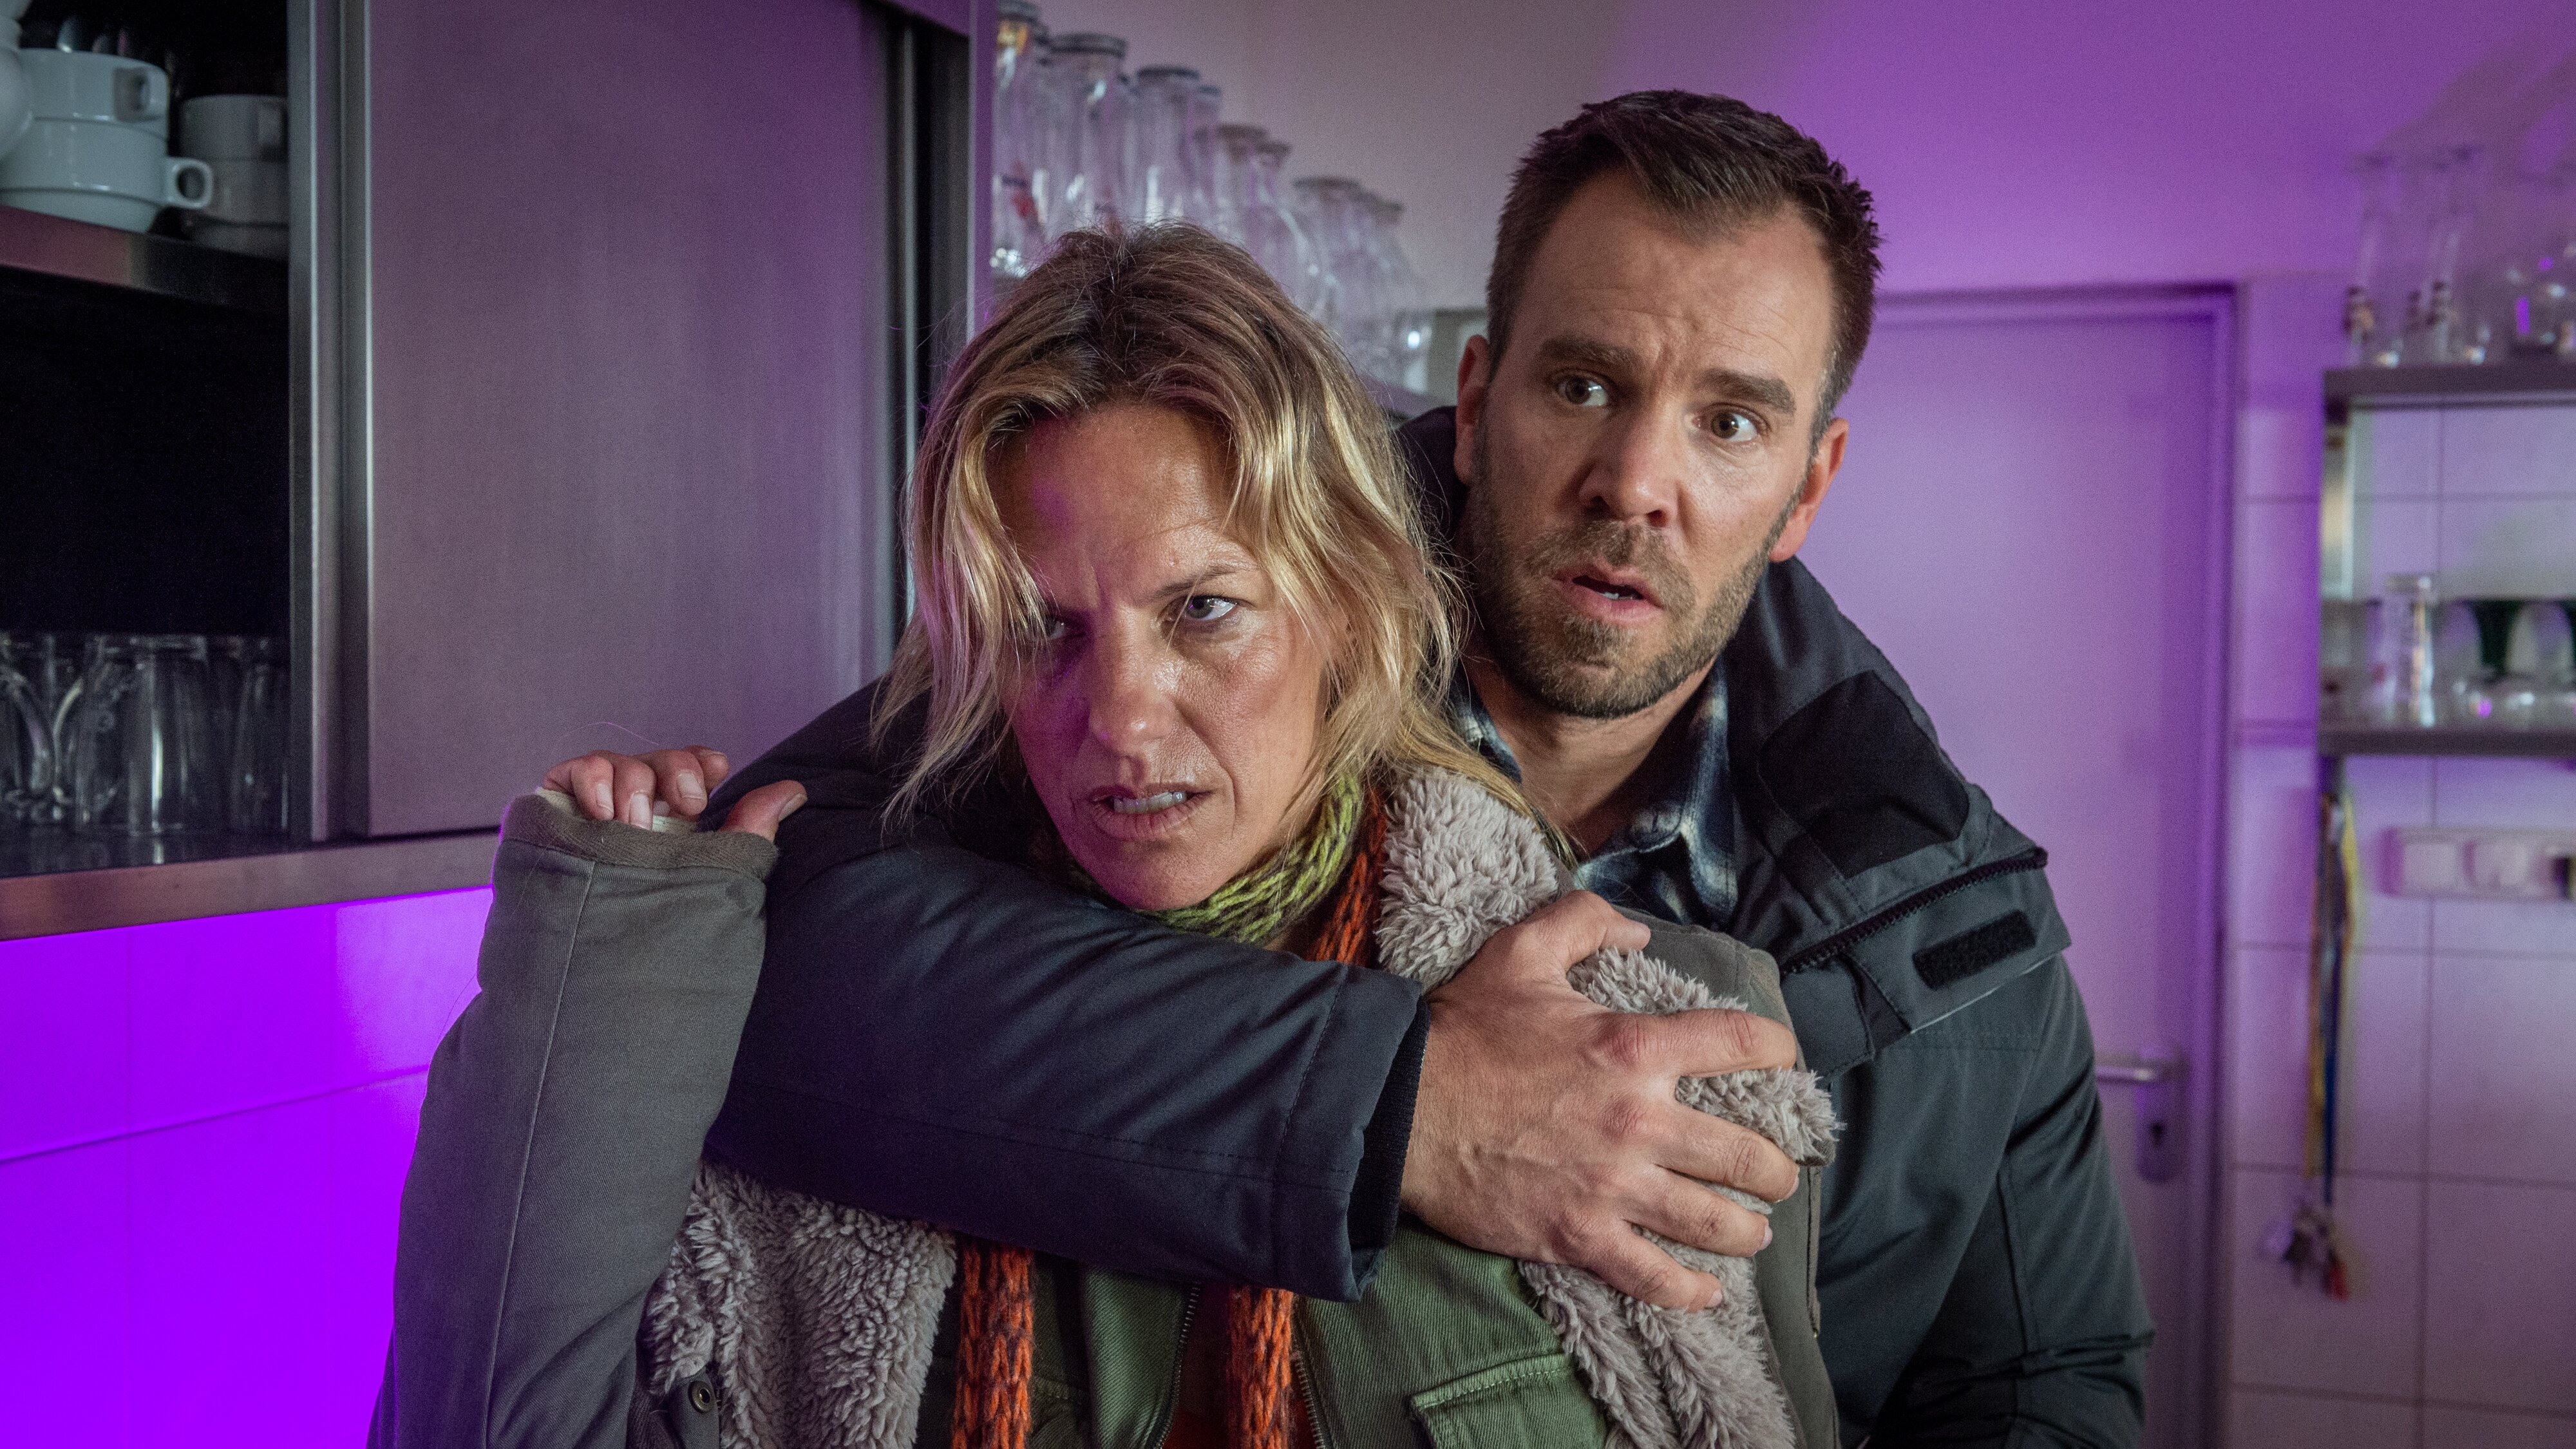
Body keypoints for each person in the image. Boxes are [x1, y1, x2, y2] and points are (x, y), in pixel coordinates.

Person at [648, 91, 2155, 1446]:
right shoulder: (1222, 596)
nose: (1635, 481)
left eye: (1729, 420)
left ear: (1805, 483)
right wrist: (1402, 1102)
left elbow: (2044, 1385)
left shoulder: (1954, 924)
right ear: (1478, 394)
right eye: (1582, 385)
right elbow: (768, 936)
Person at [375, 222, 1845, 1449]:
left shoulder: (1652, 1053)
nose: (1122, 720)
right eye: (1044, 629)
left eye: (1203, 609)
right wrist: (605, 942)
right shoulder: (769, 1025)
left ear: (1345, 602)